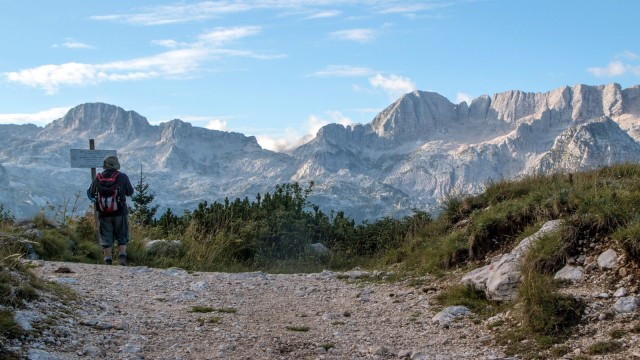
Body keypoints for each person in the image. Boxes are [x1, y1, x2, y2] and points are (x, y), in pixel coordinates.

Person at [87, 155, 134, 265]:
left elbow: (90, 194)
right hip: (121, 212)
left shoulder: (98, 177)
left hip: (103, 213)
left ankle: (108, 260)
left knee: (105, 236)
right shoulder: (122, 177)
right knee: (122, 235)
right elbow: (130, 192)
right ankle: (122, 258)